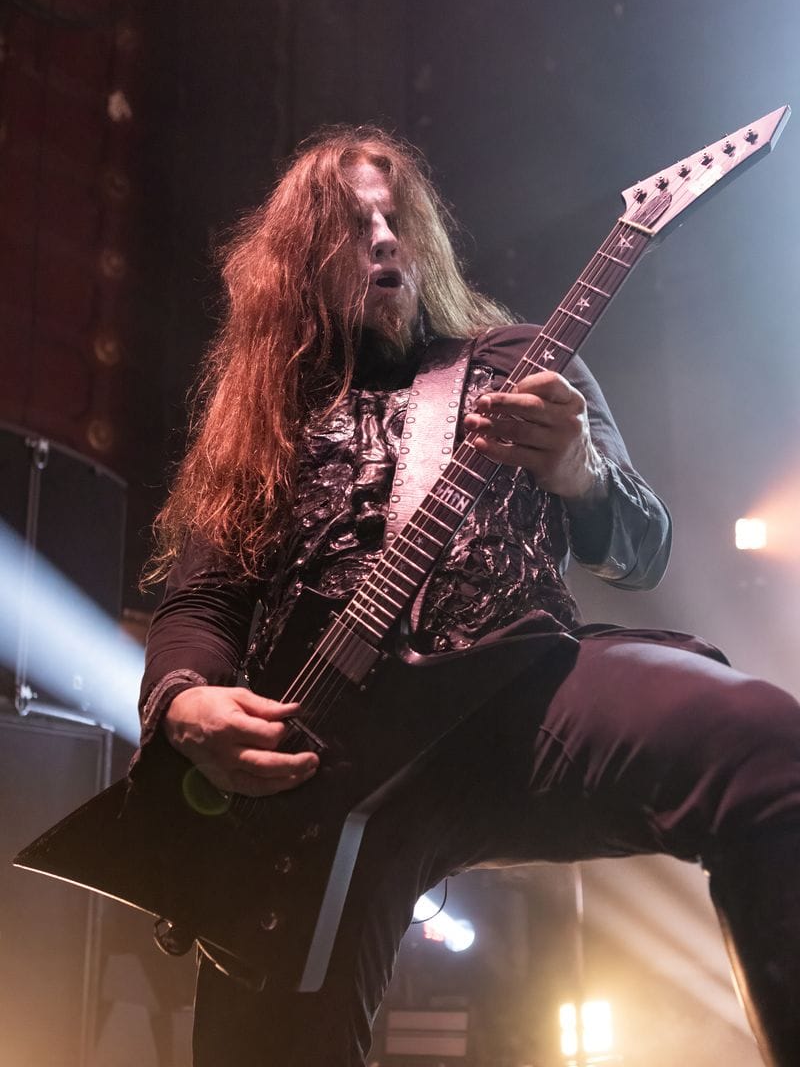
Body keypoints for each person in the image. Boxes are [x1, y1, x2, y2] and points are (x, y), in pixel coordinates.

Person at [141, 126, 800, 1067]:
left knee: (766, 748)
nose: (383, 239)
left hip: (523, 701)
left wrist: (579, 472)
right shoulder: (264, 414)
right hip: (322, 763)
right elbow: (202, 600)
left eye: (395, 219)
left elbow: (644, 552)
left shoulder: (522, 361)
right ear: (297, 262)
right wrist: (184, 704)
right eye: (352, 225)